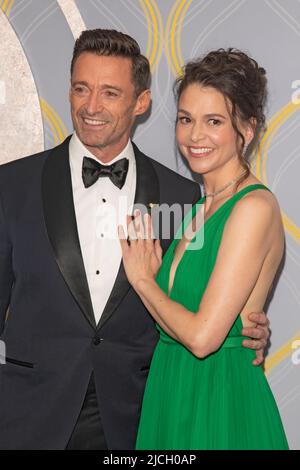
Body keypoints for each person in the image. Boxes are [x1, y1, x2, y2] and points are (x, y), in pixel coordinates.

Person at [0, 30, 269, 450]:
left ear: (141, 102)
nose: (91, 106)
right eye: (81, 89)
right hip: (31, 416)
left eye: (110, 92)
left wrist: (245, 323)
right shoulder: (12, 185)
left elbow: (201, 304)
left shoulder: (184, 196)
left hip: (139, 415)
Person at [119, 49, 289, 449]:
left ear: (247, 129)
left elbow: (202, 338)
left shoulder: (253, 208)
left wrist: (145, 281)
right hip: (172, 391)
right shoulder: (197, 206)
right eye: (186, 119)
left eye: (214, 121)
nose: (195, 136)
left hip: (220, 402)